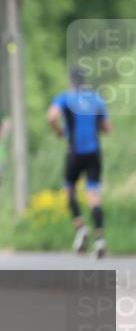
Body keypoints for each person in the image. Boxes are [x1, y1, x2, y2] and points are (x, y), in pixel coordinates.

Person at [47, 68, 111, 259]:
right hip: (94, 153)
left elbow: (51, 117)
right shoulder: (97, 99)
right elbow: (107, 128)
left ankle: (81, 227)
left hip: (74, 153)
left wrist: (59, 132)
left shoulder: (65, 98)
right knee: (94, 194)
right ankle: (100, 239)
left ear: (71, 81)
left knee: (70, 190)